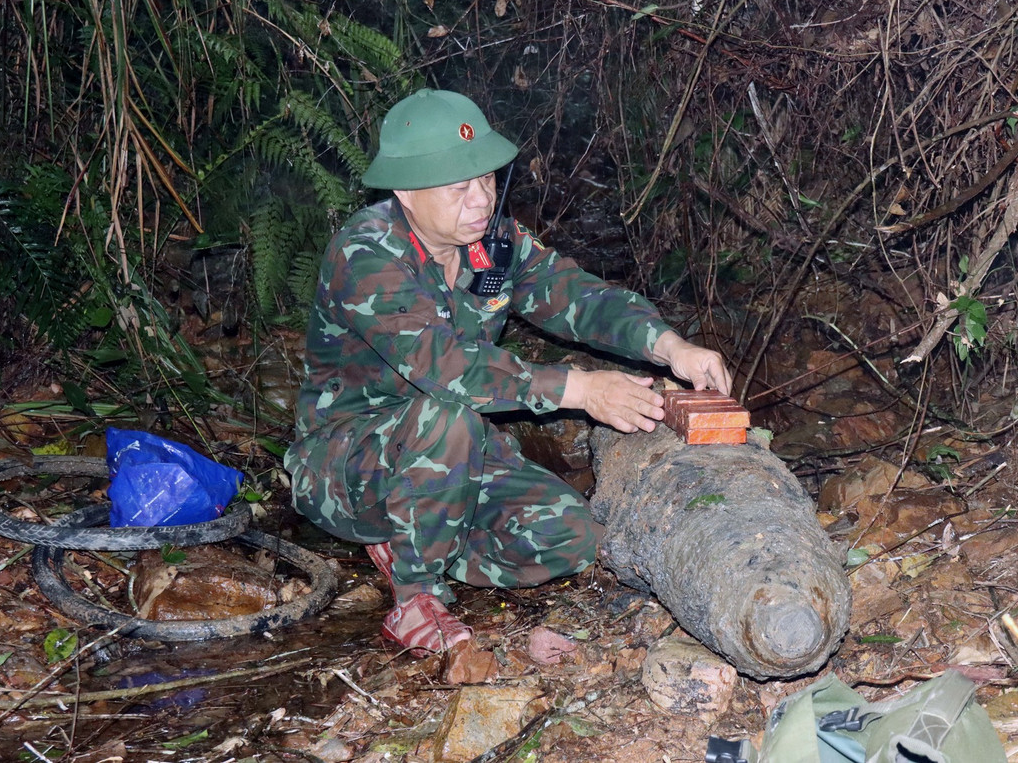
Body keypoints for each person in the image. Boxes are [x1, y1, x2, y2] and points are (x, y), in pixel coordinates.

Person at [284, 89, 732, 655]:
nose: (481, 200)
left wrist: (669, 346)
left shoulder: (491, 245)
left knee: (570, 537)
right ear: (405, 192)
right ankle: (416, 599)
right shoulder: (366, 255)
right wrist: (584, 390)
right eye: (458, 187)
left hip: (450, 454)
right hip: (345, 465)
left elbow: (576, 295)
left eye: (488, 180)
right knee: (449, 416)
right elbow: (449, 371)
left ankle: (412, 539)